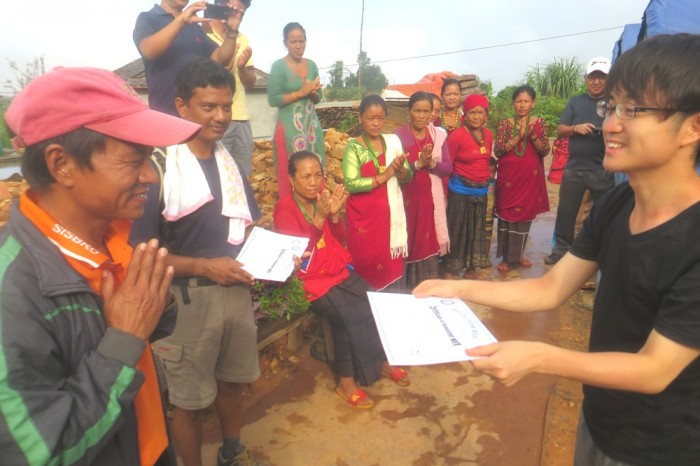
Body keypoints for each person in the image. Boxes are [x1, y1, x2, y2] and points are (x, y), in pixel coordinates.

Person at [415, 33, 700, 466]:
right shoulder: (617, 205)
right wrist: (455, 291)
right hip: (600, 421)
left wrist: (539, 356)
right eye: (612, 108)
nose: (611, 125)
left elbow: (655, 369)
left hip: (663, 446)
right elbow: (549, 288)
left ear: (693, 127)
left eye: (633, 110)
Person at [0, 67, 200, 465]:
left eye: (150, 159)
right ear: (62, 165)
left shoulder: (114, 240)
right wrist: (123, 339)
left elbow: (148, 330)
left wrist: (151, 308)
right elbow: (39, 452)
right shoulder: (13, 291)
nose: (150, 177)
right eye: (133, 161)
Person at [131, 57, 265, 466]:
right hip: (186, 301)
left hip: (235, 292)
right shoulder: (160, 168)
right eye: (208, 106)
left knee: (232, 384)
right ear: (181, 106)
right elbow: (141, 253)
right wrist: (205, 267)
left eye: (226, 106)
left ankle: (232, 452)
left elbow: (247, 226)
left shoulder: (230, 165)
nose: (220, 116)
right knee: (187, 404)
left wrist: (275, 253)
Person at [274, 151, 410, 409]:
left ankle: (381, 361)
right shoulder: (285, 209)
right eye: (306, 176)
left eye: (318, 175)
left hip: (334, 269)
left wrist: (334, 216)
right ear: (291, 179)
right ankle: (346, 382)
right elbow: (300, 255)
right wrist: (320, 219)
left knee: (373, 301)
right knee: (348, 317)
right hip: (308, 279)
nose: (314, 182)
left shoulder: (319, 200)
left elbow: (336, 238)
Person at [545, 57, 614, 265]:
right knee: (566, 212)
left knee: (606, 213)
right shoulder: (576, 102)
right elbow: (561, 129)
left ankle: (605, 251)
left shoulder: (614, 103)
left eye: (601, 77)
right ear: (585, 79)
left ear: (608, 79)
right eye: (593, 77)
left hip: (603, 169)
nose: (596, 82)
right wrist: (576, 128)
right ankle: (561, 250)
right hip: (574, 169)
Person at [342, 94, 413, 291]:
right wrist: (385, 175)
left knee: (391, 267)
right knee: (367, 266)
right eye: (370, 118)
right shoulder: (353, 147)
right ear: (360, 118)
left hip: (390, 220)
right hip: (365, 221)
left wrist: (400, 171)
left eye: (380, 118)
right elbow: (351, 183)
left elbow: (408, 178)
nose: (375, 123)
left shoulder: (393, 142)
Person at [133, 0, 240, 117]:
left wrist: (232, 32)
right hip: (163, 113)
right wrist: (181, 20)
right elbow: (148, 50)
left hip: (196, 116)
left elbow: (220, 58)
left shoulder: (195, 27)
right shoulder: (148, 17)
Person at [395, 92, 453, 289]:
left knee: (427, 241)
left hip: (429, 201)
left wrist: (430, 163)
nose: (421, 116)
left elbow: (448, 168)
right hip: (405, 200)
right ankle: (405, 289)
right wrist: (418, 164)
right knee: (407, 240)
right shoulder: (398, 137)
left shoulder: (438, 135)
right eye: (417, 111)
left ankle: (425, 289)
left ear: (432, 114)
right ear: (409, 111)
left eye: (426, 111)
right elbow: (395, 170)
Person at [493, 85, 550, 273]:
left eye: (526, 101)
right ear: (513, 103)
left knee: (524, 217)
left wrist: (532, 135)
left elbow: (544, 151)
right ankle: (507, 259)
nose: (522, 105)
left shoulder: (540, 123)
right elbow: (499, 151)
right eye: (518, 101)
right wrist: (518, 137)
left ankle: (518, 255)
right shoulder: (504, 124)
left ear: (533, 103)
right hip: (508, 179)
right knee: (506, 216)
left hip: (529, 179)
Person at [268, 22, 325, 198]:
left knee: (314, 170)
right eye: (293, 42)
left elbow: (318, 98)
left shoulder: (312, 65)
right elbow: (273, 99)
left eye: (301, 41)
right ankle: (292, 218)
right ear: (285, 42)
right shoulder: (279, 66)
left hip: (311, 129)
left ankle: (317, 215)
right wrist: (301, 92)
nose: (298, 46)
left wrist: (313, 92)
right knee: (291, 173)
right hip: (288, 130)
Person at [203, 0, 256, 178]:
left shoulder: (243, 39)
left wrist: (241, 68)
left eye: (241, 13)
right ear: (220, 5)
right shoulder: (203, 32)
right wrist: (226, 63)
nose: (237, 16)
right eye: (233, 10)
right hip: (214, 118)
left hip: (241, 118)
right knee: (215, 174)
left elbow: (251, 82)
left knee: (242, 177)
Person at [442, 93, 493, 279]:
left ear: (486, 114)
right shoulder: (457, 136)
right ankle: (450, 268)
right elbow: (448, 166)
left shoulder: (488, 135)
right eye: (472, 112)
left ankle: (472, 267)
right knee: (457, 230)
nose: (476, 116)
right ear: (465, 114)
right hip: (459, 191)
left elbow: (487, 162)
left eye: (480, 112)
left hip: (480, 191)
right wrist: (445, 193)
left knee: (476, 231)